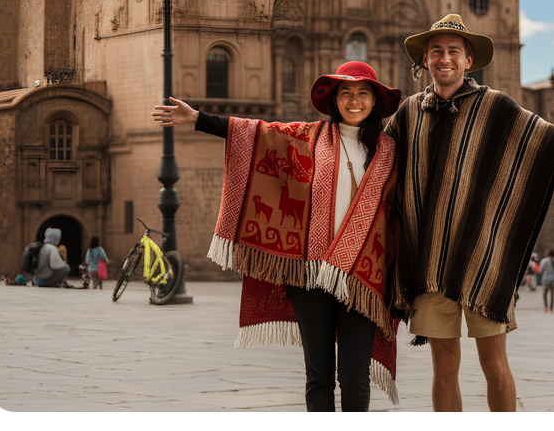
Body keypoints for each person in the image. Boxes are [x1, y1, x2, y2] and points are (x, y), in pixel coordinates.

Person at [385, 14, 554, 414]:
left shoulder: (494, 106)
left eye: (453, 52)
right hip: (430, 264)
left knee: (494, 364)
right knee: (444, 368)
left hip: (484, 261)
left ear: (468, 59)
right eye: (437, 51)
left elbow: (552, 141)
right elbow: (373, 160)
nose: (445, 59)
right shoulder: (407, 114)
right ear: (425, 58)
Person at [152, 61, 401, 413]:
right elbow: (257, 134)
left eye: (363, 93)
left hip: (362, 278)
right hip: (310, 274)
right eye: (346, 93)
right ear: (334, 101)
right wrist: (199, 120)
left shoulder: (391, 151)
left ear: (375, 101)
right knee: (319, 375)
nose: (355, 101)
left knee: (355, 376)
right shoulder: (306, 137)